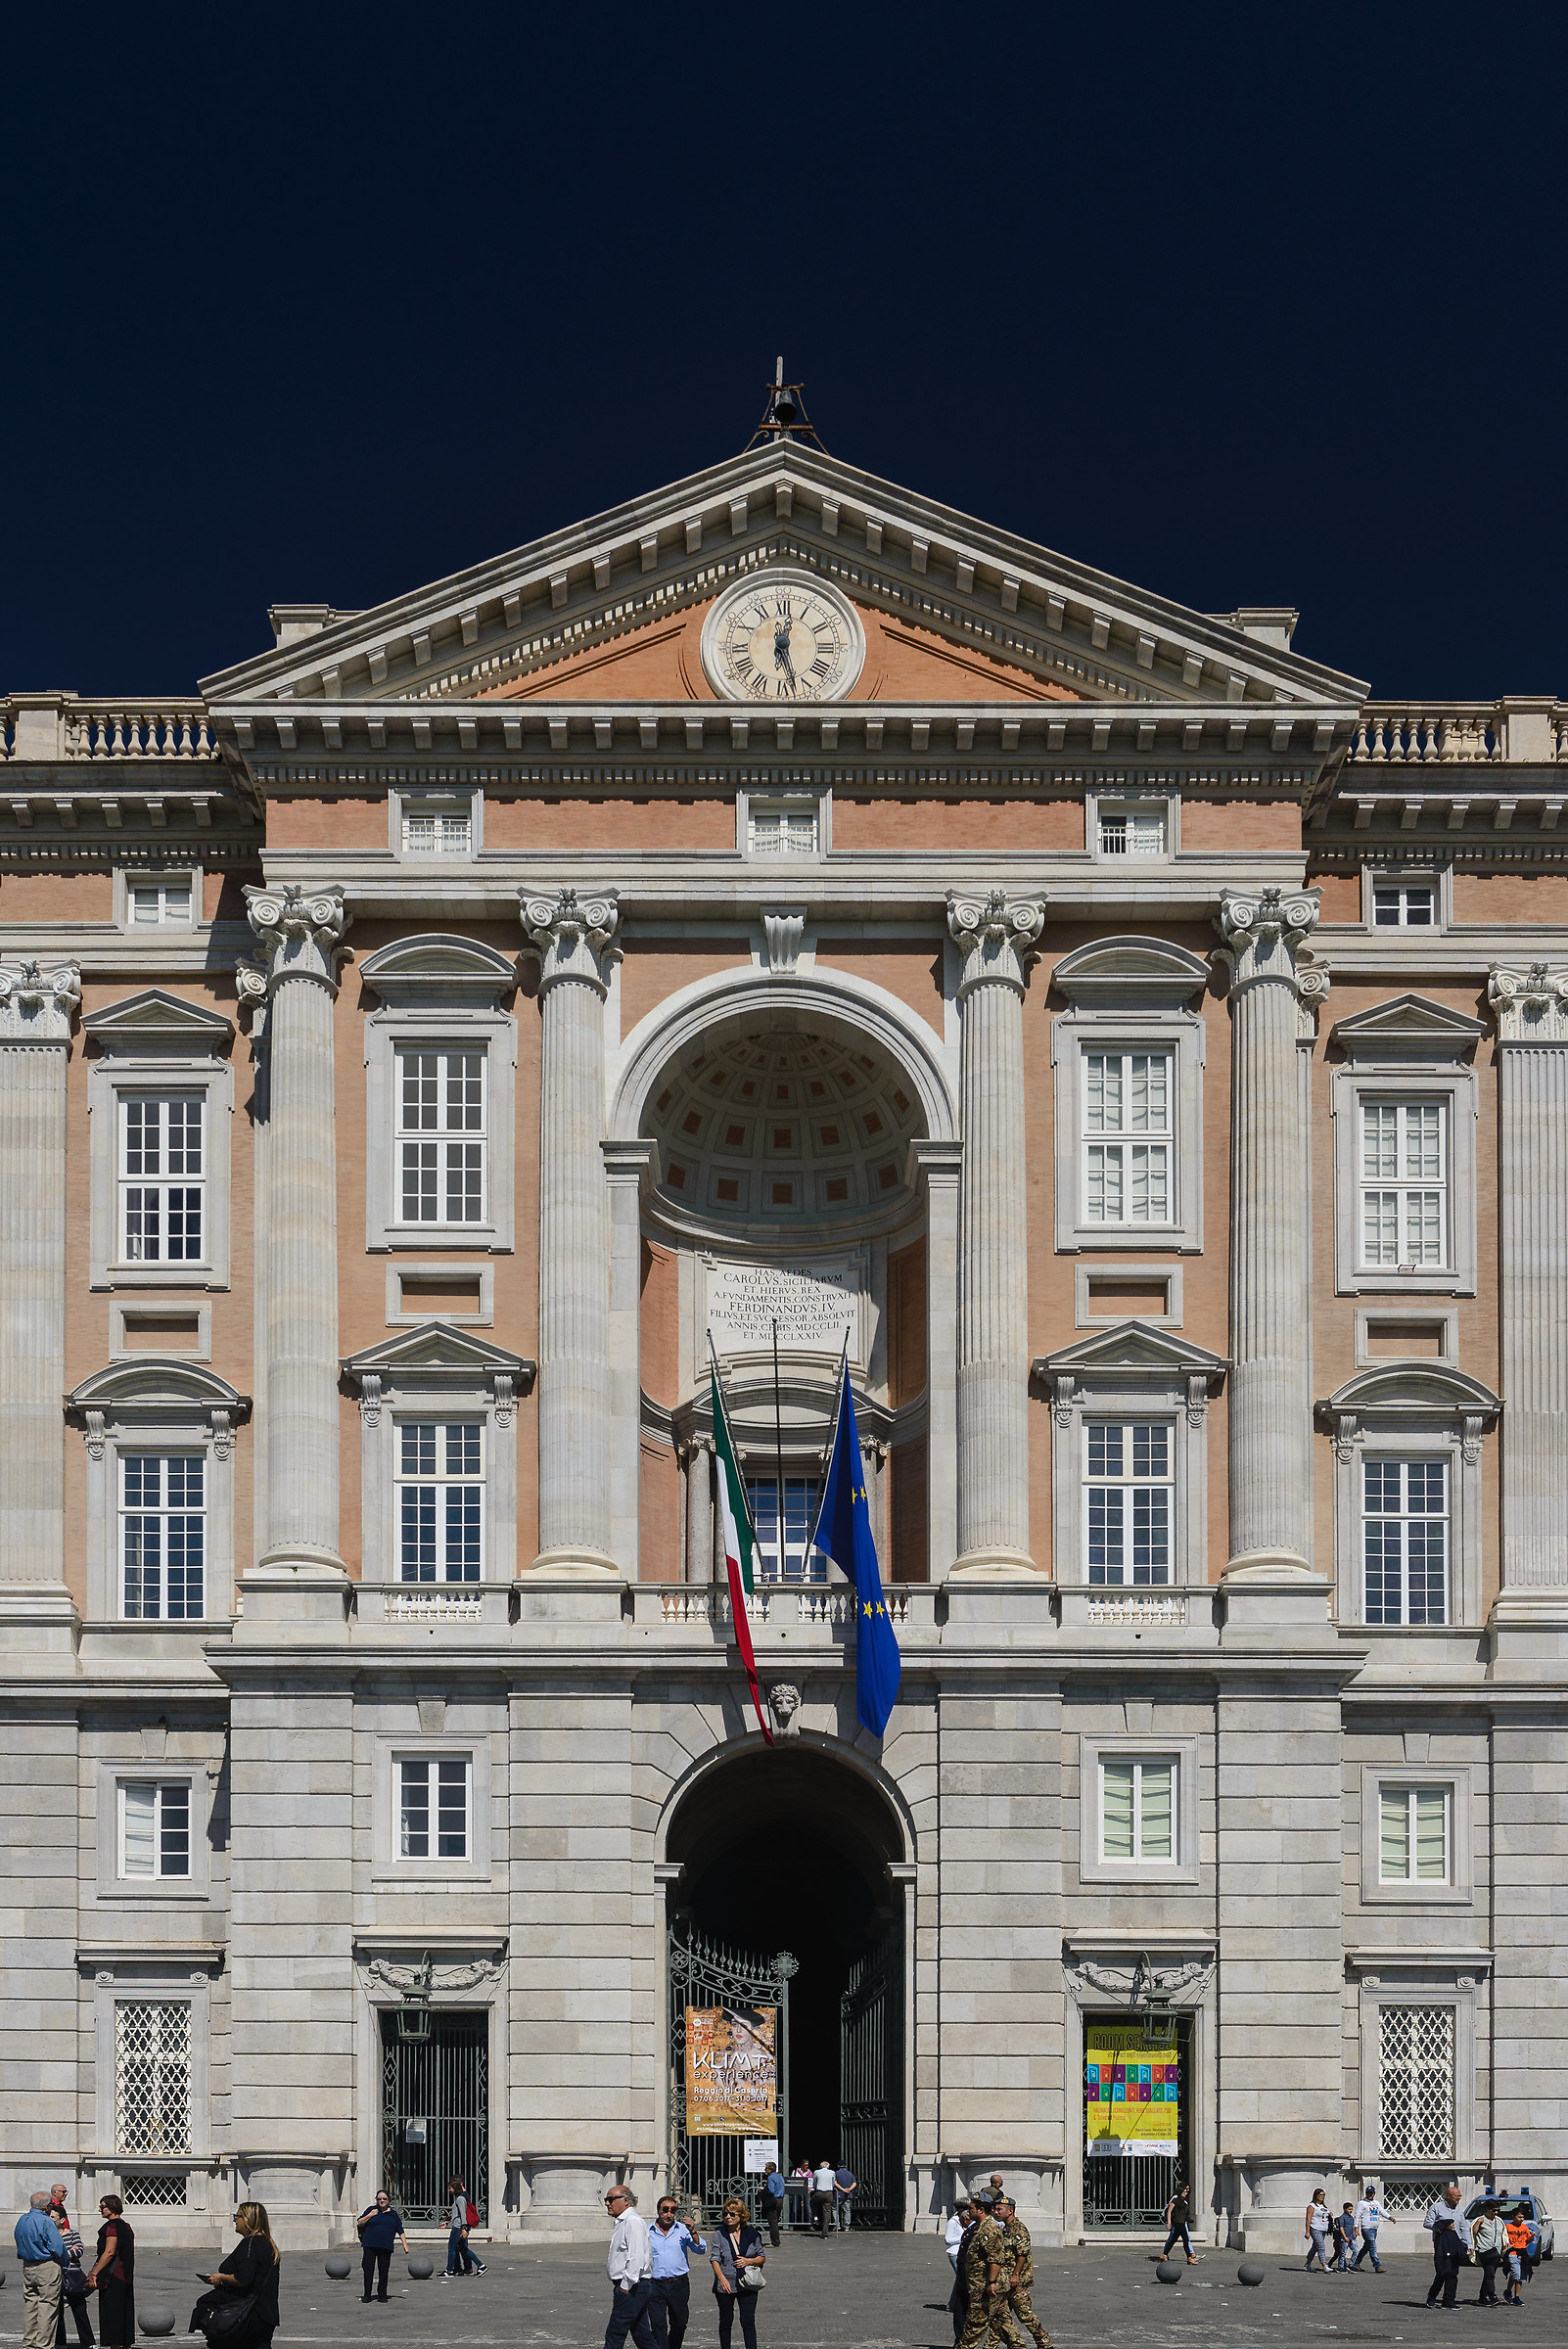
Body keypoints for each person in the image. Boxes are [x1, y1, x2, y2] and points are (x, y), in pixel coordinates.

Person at [192, 2202, 280, 2349]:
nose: (234, 2220)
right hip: (266, 2314)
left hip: (247, 2315)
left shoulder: (251, 2243)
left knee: (205, 2305)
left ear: (247, 2220)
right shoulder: (267, 2244)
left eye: (237, 2216)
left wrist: (221, 2278)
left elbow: (243, 2279)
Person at [647, 2196, 706, 2349]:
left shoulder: (683, 2229)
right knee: (658, 2325)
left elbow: (701, 2249)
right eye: (665, 2210)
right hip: (654, 2285)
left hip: (678, 2284)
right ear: (658, 2211)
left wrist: (693, 2231)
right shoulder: (647, 2231)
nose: (669, 2214)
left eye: (673, 2211)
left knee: (680, 2323)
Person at [992, 2194, 1050, 2349]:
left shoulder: (1019, 2229)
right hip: (1005, 2281)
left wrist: (1015, 2275)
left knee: (1025, 2315)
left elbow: (1022, 2254)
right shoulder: (1005, 2229)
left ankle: (1044, 2343)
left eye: (1000, 2209)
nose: (996, 2212)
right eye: (995, 2209)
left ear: (1010, 2211)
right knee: (1001, 2318)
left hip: (1017, 2281)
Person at [602, 2186, 657, 2349]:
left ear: (626, 2201)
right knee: (643, 2336)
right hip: (632, 2286)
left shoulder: (632, 2221)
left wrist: (625, 2286)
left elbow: (636, 2257)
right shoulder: (623, 2221)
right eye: (606, 2199)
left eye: (611, 2199)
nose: (607, 2203)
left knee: (615, 2333)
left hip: (632, 2286)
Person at [709, 2196, 764, 2349]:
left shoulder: (752, 2234)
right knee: (726, 2321)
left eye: (732, 2214)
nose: (728, 2217)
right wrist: (721, 2279)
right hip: (726, 2284)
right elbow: (714, 2259)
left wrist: (749, 2261)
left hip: (747, 2283)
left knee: (748, 2321)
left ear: (741, 2216)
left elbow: (761, 2257)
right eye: (726, 2214)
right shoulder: (719, 2233)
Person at [16, 2191, 67, 2349]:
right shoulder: (46, 2221)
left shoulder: (23, 2220)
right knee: (47, 2306)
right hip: (46, 2265)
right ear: (46, 2206)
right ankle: (43, 2344)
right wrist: (64, 2265)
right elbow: (58, 2247)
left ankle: (29, 2342)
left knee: (31, 2305)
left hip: (28, 2265)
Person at [83, 2198, 133, 2349]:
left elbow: (110, 2252)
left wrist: (94, 2272)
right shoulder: (126, 2226)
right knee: (125, 2309)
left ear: (112, 2207)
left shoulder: (112, 2226)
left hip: (113, 2274)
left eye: (103, 2207)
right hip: (126, 2274)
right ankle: (126, 2344)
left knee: (112, 2310)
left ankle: (115, 2345)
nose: (100, 2210)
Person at [52, 2199, 94, 2349]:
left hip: (72, 2275)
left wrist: (61, 2254)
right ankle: (59, 2341)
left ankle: (88, 2342)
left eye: (53, 2217)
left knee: (79, 2309)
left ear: (62, 2219)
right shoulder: (49, 2235)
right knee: (57, 2310)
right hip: (54, 2275)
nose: (50, 2220)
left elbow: (79, 2251)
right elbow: (49, 2253)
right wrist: (67, 2252)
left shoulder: (72, 2234)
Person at [354, 2192, 409, 2304]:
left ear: (388, 2200)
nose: (382, 2201)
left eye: (384, 2199)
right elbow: (360, 2222)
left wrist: (405, 2245)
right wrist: (370, 2215)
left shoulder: (393, 2214)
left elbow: (400, 2230)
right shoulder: (371, 2209)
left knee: (383, 2271)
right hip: (370, 2245)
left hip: (385, 2246)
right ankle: (367, 2295)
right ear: (376, 2200)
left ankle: (382, 2294)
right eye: (379, 2199)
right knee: (368, 2270)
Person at [1424, 2184, 1469, 2310]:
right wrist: (1443, 2225)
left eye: (1460, 2196)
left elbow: (1463, 2227)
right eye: (1456, 2196)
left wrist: (1468, 2244)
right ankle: (1432, 2295)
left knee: (1453, 2273)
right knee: (1443, 2272)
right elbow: (1427, 2223)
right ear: (1448, 2196)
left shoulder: (1459, 2210)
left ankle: (1449, 2300)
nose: (1459, 2198)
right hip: (1442, 2244)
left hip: (1456, 2244)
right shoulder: (1436, 2208)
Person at [441, 2177, 485, 2279]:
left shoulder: (461, 2199)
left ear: (455, 2188)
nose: (449, 2190)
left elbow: (462, 2214)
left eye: (450, 2188)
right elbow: (457, 2214)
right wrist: (448, 2220)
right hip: (458, 2225)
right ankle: (480, 2265)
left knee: (452, 2247)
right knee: (462, 2248)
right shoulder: (459, 2198)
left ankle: (449, 2270)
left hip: (458, 2226)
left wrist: (463, 2228)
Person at [1471, 2199, 1504, 2306]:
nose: (1496, 2213)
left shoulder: (1498, 2221)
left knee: (1489, 2275)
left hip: (1496, 2252)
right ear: (1487, 2209)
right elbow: (1474, 2233)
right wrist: (1478, 2223)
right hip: (1484, 2251)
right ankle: (1492, 2296)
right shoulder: (1481, 2220)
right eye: (1493, 2210)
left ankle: (1482, 2296)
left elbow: (1503, 2234)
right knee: (1490, 2274)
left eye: (1497, 2210)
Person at [1502, 2207, 1538, 2305]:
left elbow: (1527, 2241)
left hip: (1522, 2253)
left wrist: (1532, 2237)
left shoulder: (1524, 2228)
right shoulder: (1508, 2227)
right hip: (1513, 2253)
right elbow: (1503, 2238)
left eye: (1522, 2217)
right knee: (1515, 2274)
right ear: (1513, 2217)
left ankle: (1517, 2296)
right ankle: (1508, 2291)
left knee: (1521, 2276)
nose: (1521, 2219)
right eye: (1519, 2217)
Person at [1350, 2187, 1391, 2272]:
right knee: (1373, 2246)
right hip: (1366, 2228)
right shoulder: (1361, 2203)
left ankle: (1356, 2263)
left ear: (1374, 2193)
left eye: (1371, 2193)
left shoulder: (1376, 2203)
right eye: (1368, 2193)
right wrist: (1356, 2228)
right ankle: (1377, 2265)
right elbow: (1357, 2216)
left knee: (1366, 2247)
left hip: (1374, 2228)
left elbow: (1382, 2211)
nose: (1369, 2195)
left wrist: (1390, 2217)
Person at [1162, 2179, 1197, 2265]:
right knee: (1185, 2239)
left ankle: (1164, 2254)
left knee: (1174, 2239)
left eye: (1187, 2192)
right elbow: (1169, 2211)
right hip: (1177, 2222)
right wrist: (1169, 2222)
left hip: (1182, 2222)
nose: (1186, 2193)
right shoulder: (1175, 2199)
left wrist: (1188, 2219)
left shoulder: (1184, 2201)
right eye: (1184, 2192)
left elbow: (1183, 2213)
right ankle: (1189, 2257)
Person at [1304, 2188, 1332, 2272]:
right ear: (1316, 2195)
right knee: (1321, 2247)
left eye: (1323, 2195)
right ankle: (1324, 2265)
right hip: (1315, 2228)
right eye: (1320, 2195)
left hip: (1323, 2228)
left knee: (1315, 2247)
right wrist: (1307, 2231)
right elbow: (1308, 2219)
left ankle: (1307, 2264)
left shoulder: (1323, 2206)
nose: (1322, 2197)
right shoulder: (1312, 2206)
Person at [759, 2166, 786, 2248]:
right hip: (780, 2199)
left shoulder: (770, 2178)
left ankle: (775, 2242)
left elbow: (771, 2190)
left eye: (766, 2168)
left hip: (773, 2200)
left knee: (772, 2222)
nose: (765, 2170)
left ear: (770, 2169)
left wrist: (762, 2190)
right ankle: (775, 2240)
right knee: (776, 2220)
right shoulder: (780, 2177)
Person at [808, 2160, 836, 2239]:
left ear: (821, 2166)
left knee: (812, 2202)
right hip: (828, 2193)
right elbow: (833, 2182)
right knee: (827, 2213)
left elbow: (814, 2182)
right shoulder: (832, 2172)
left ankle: (815, 2217)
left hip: (819, 2192)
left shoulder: (816, 2172)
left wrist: (815, 2188)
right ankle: (825, 2232)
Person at [945, 2198, 972, 2275]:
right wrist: (963, 2238)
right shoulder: (953, 2222)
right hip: (955, 2252)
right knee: (961, 2276)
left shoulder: (968, 2219)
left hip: (963, 2251)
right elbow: (948, 2240)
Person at [833, 2161, 856, 2232]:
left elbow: (835, 2183)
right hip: (847, 2194)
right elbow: (854, 2183)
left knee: (835, 2209)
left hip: (839, 2194)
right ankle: (846, 2226)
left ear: (838, 2166)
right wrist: (849, 2189)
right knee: (847, 2210)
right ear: (845, 2165)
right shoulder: (850, 2173)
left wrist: (842, 2189)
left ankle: (837, 2225)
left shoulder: (836, 2173)